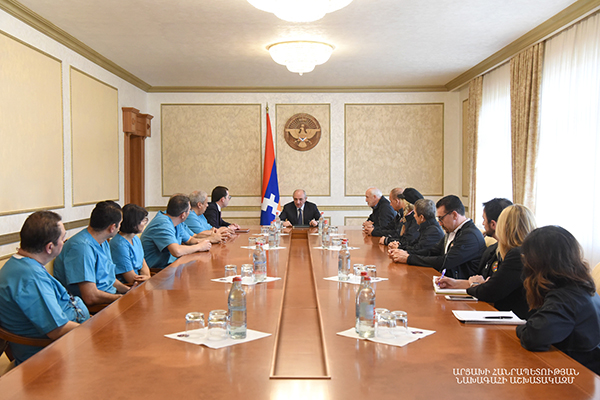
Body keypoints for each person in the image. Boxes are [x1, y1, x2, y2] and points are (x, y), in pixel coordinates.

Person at [0, 211, 89, 365]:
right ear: (49, 247)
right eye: (62, 239)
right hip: (53, 356)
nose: (65, 241)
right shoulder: (29, 277)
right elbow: (58, 330)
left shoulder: (22, 264)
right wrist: (95, 332)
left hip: (67, 340)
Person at [516, 226, 600, 374]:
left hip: (577, 379)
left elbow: (534, 336)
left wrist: (520, 328)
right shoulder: (582, 288)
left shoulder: (565, 298)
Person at [437, 204, 535, 319]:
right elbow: (488, 283)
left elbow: (490, 291)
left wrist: (475, 284)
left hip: (513, 320)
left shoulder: (517, 255)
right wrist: (455, 283)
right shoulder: (515, 251)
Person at [54, 201, 131, 307]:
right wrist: (121, 298)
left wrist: (129, 291)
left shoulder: (103, 242)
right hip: (96, 306)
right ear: (112, 227)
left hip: (110, 298)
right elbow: (90, 297)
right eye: (120, 224)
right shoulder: (81, 248)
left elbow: (110, 280)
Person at [391, 195, 485, 279]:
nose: (439, 223)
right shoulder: (452, 230)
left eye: (441, 218)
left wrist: (409, 258)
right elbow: (432, 251)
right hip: (446, 281)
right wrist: (405, 252)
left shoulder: (470, 236)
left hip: (461, 290)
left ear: (454, 215)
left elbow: (446, 261)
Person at [141, 194, 212, 270]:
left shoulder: (176, 222)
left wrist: (206, 242)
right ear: (183, 215)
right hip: (156, 271)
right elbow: (176, 251)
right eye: (190, 210)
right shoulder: (162, 223)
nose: (190, 213)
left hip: (170, 267)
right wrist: (199, 247)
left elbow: (190, 240)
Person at [109, 204, 151, 285]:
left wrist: (147, 276)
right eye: (143, 220)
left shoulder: (135, 238)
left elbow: (142, 262)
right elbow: (131, 278)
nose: (145, 223)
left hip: (140, 282)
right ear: (134, 223)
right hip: (128, 286)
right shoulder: (119, 244)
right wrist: (146, 279)